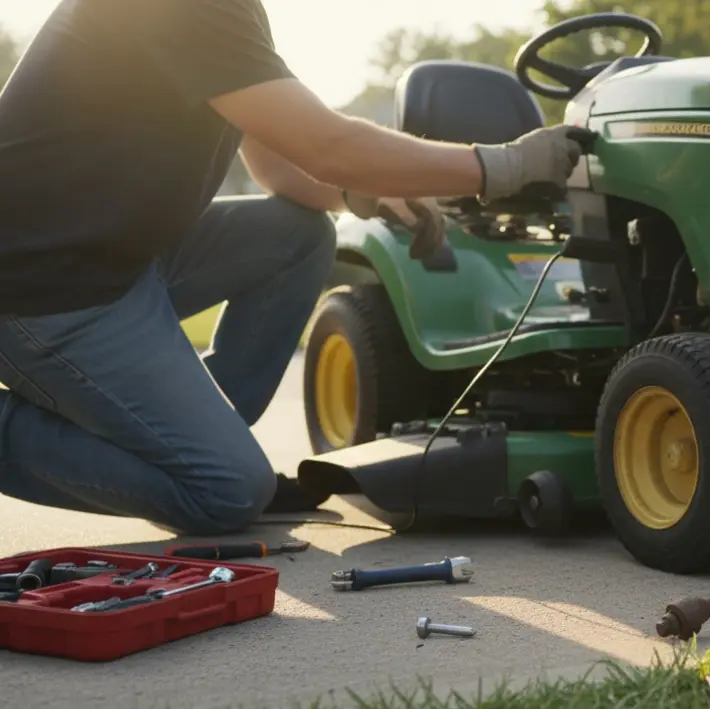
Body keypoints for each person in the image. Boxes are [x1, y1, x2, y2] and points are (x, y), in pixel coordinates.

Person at [0, 0, 587, 535]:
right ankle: (208, 468)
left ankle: (199, 440)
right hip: (47, 290)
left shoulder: (232, 12)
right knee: (227, 493)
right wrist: (506, 166)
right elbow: (328, 146)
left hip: (122, 256)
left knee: (300, 237)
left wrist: (361, 196)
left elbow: (276, 163)